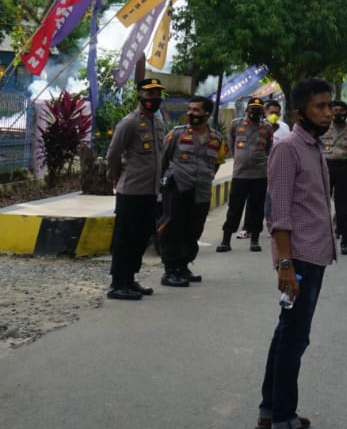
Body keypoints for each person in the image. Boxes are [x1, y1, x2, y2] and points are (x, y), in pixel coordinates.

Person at [258, 77, 337, 429]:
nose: (329, 111)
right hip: (300, 257)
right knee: (294, 337)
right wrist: (286, 264)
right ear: (299, 111)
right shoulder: (289, 148)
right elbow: (280, 213)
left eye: (329, 105)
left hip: (313, 253)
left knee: (285, 332)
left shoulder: (313, 145)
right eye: (320, 106)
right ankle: (284, 423)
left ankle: (269, 409)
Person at [105, 77, 167, 300]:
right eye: (150, 95)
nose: (154, 99)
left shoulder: (157, 123)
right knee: (125, 239)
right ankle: (117, 283)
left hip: (150, 192)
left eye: (157, 94)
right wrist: (114, 177)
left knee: (141, 237)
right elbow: (112, 154)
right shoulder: (129, 123)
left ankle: (130, 279)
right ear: (139, 96)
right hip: (131, 191)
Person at [157, 96, 226, 287]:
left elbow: (217, 164)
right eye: (190, 109)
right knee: (173, 229)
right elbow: (163, 160)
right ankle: (170, 270)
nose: (190, 113)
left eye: (196, 110)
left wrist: (207, 177)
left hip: (201, 191)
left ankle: (183, 266)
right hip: (178, 188)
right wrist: (160, 188)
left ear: (206, 114)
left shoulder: (217, 138)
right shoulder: (177, 134)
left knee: (194, 229)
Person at [219, 97, 274, 253]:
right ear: (247, 110)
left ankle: (255, 240)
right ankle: (226, 240)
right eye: (252, 109)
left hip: (260, 175)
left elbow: (269, 148)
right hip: (240, 174)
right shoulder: (236, 124)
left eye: (258, 109)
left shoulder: (267, 128)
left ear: (262, 111)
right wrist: (239, 158)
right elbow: (230, 143)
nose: (255, 112)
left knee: (257, 209)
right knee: (234, 208)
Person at [320, 100, 347, 256]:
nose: (338, 113)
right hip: (324, 168)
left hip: (344, 169)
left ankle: (345, 238)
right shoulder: (322, 129)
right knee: (321, 204)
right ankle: (321, 238)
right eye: (335, 110)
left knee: (344, 206)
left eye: (341, 111)